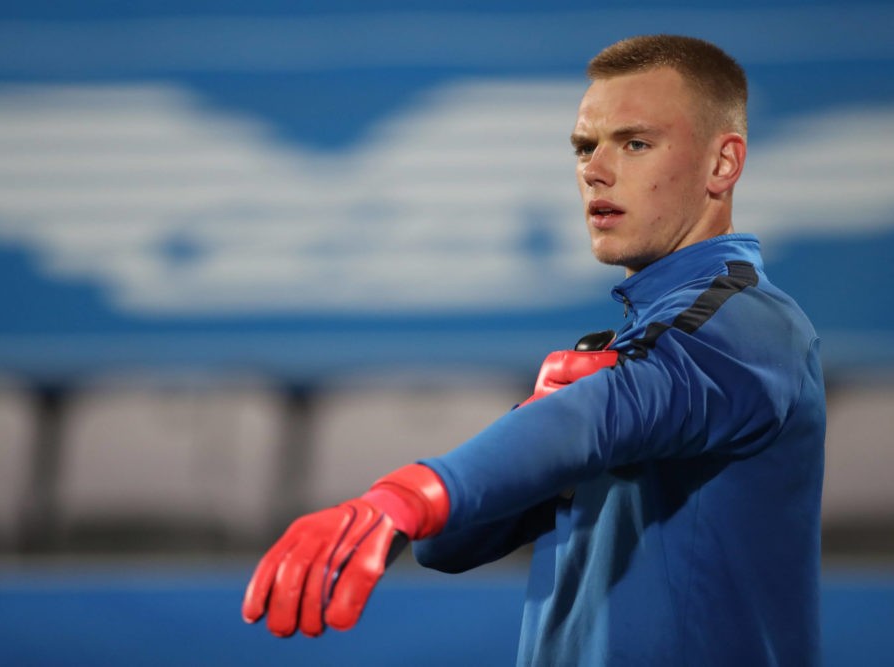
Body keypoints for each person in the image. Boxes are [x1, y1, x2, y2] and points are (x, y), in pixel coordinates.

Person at [242, 34, 826, 666]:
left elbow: (607, 413)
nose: (595, 169)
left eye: (635, 143)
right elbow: (451, 547)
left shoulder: (748, 323)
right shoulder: (632, 344)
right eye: (584, 146)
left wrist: (409, 496)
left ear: (723, 164)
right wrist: (473, 479)